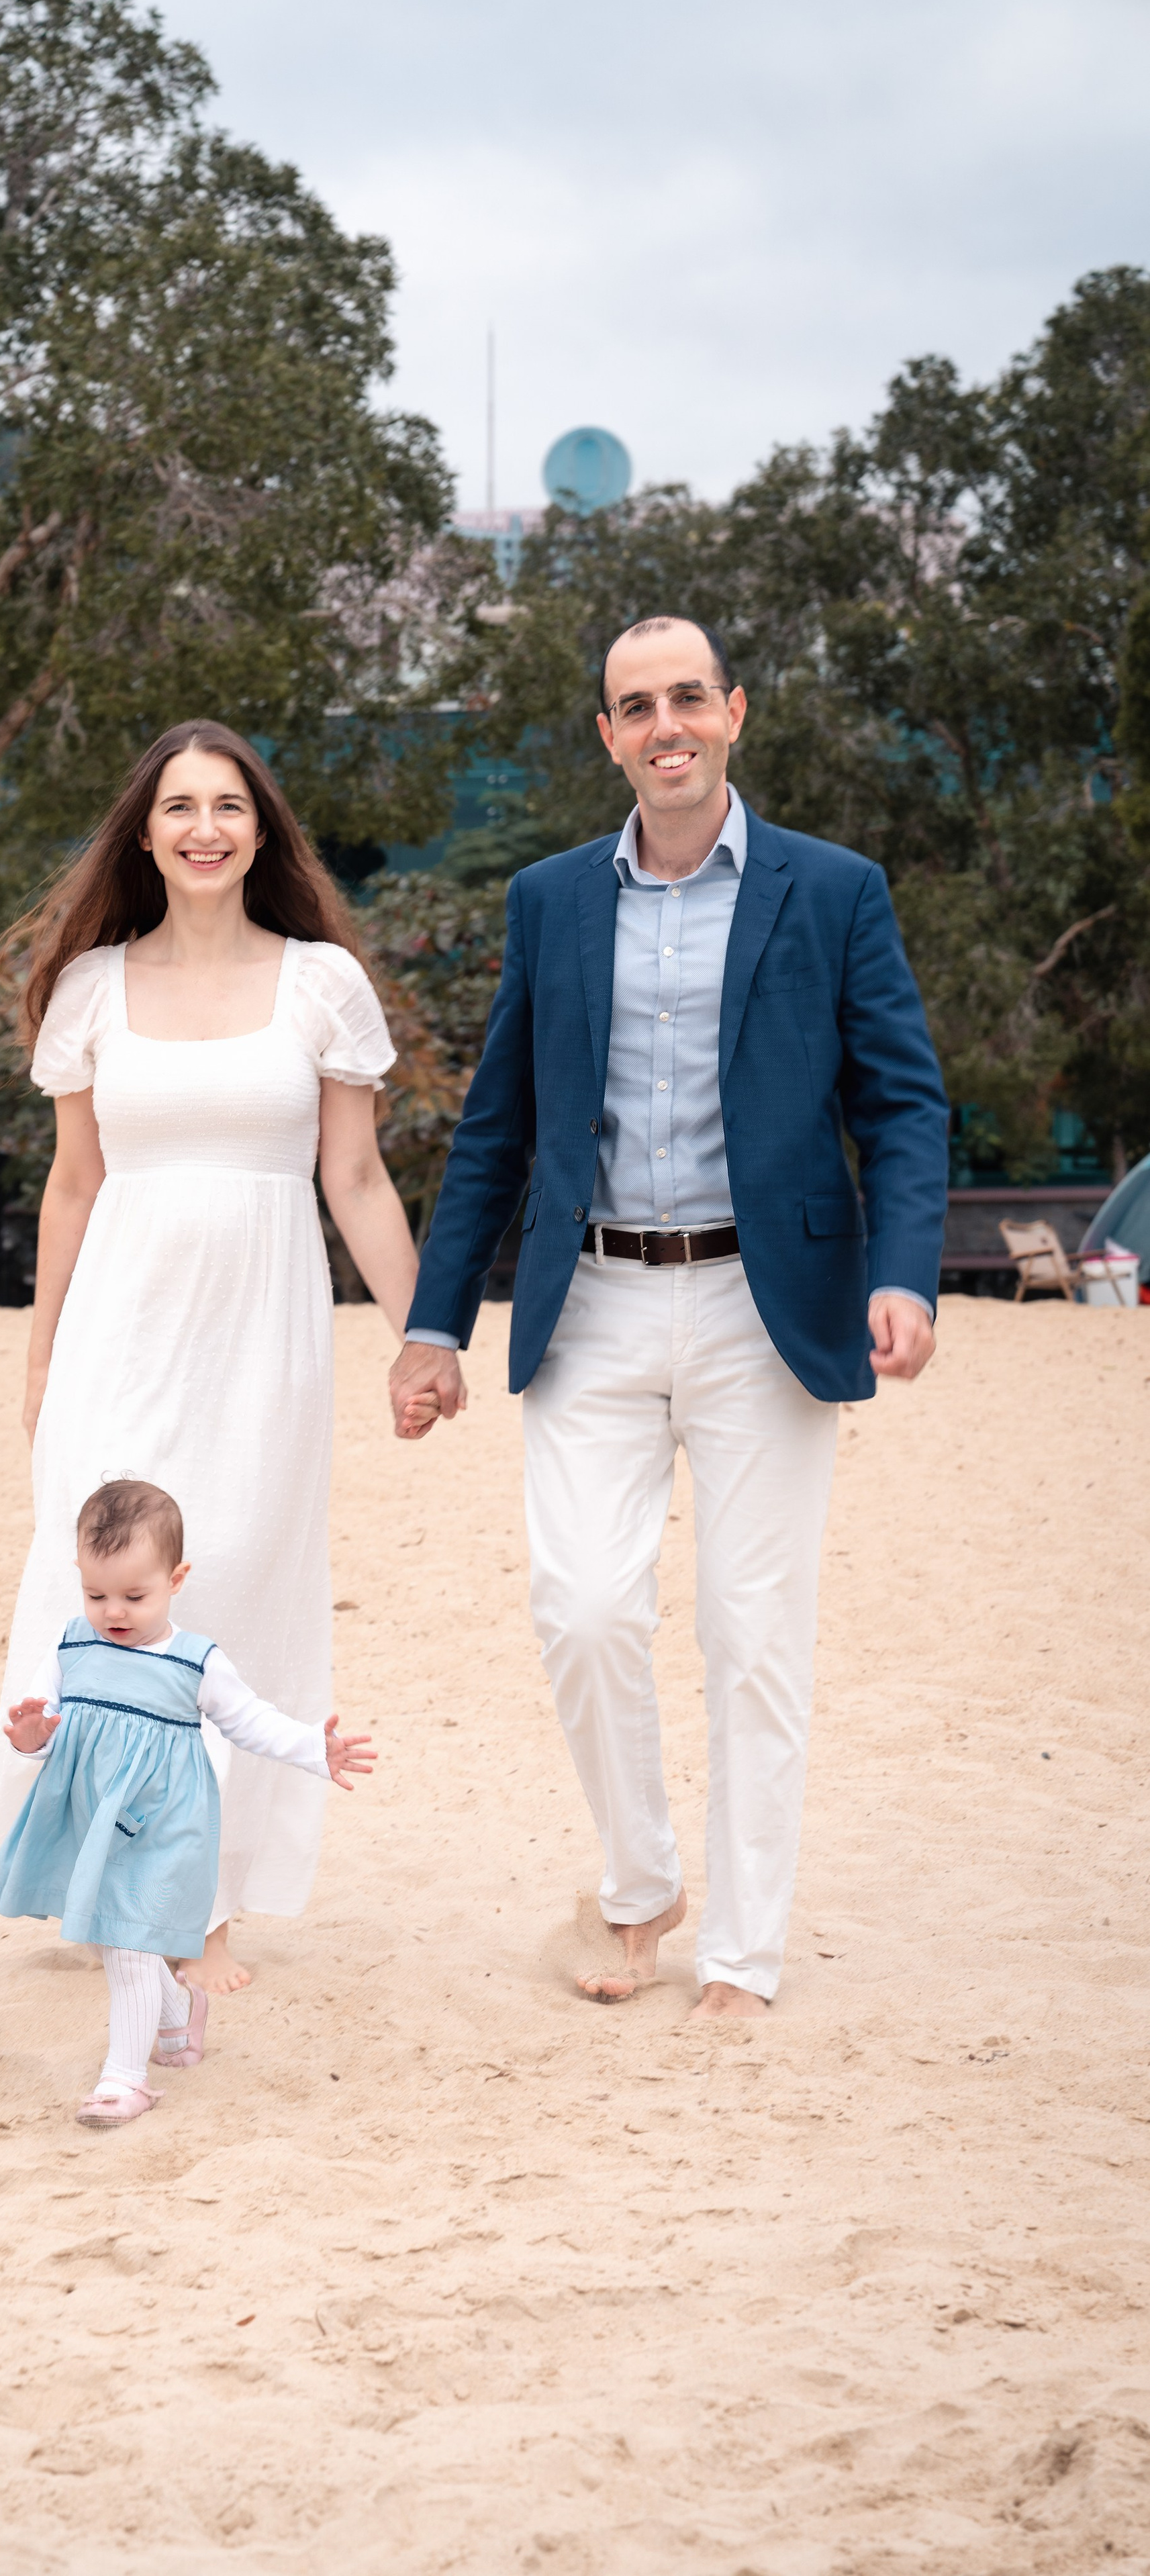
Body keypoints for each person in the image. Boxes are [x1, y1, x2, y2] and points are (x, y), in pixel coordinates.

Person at [389, 616, 949, 2019]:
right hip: (590, 1304)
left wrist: (902, 1272)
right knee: (581, 1609)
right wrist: (435, 1323)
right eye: (635, 707)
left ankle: (742, 1955)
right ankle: (640, 1889)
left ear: (733, 711)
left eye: (686, 698)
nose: (665, 727)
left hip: (771, 1311)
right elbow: (496, 1125)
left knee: (753, 1639)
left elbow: (901, 1103)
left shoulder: (834, 891)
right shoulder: (550, 900)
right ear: (607, 736)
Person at [0, 719, 418, 1993]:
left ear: (262, 832)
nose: (205, 828)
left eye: (229, 806)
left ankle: (200, 1902)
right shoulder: (91, 990)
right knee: (105, 1602)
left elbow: (356, 1177)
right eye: (180, 807)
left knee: (228, 1602)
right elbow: (72, 1186)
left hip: (265, 1344)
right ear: (146, 834)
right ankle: (115, 1883)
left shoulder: (324, 983)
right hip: (117, 1332)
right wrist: (41, 1362)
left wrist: (423, 1336)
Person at [0, 1480, 374, 2126]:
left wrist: (312, 1747)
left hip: (163, 1825)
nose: (114, 1611)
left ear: (176, 1579)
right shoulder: (71, 1645)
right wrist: (29, 1737)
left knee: (131, 1945)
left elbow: (249, 1720)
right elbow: (38, 1724)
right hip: (90, 1820)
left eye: (135, 1596)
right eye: (97, 1594)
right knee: (108, 1939)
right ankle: (179, 2015)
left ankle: (123, 2080)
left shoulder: (194, 1661)